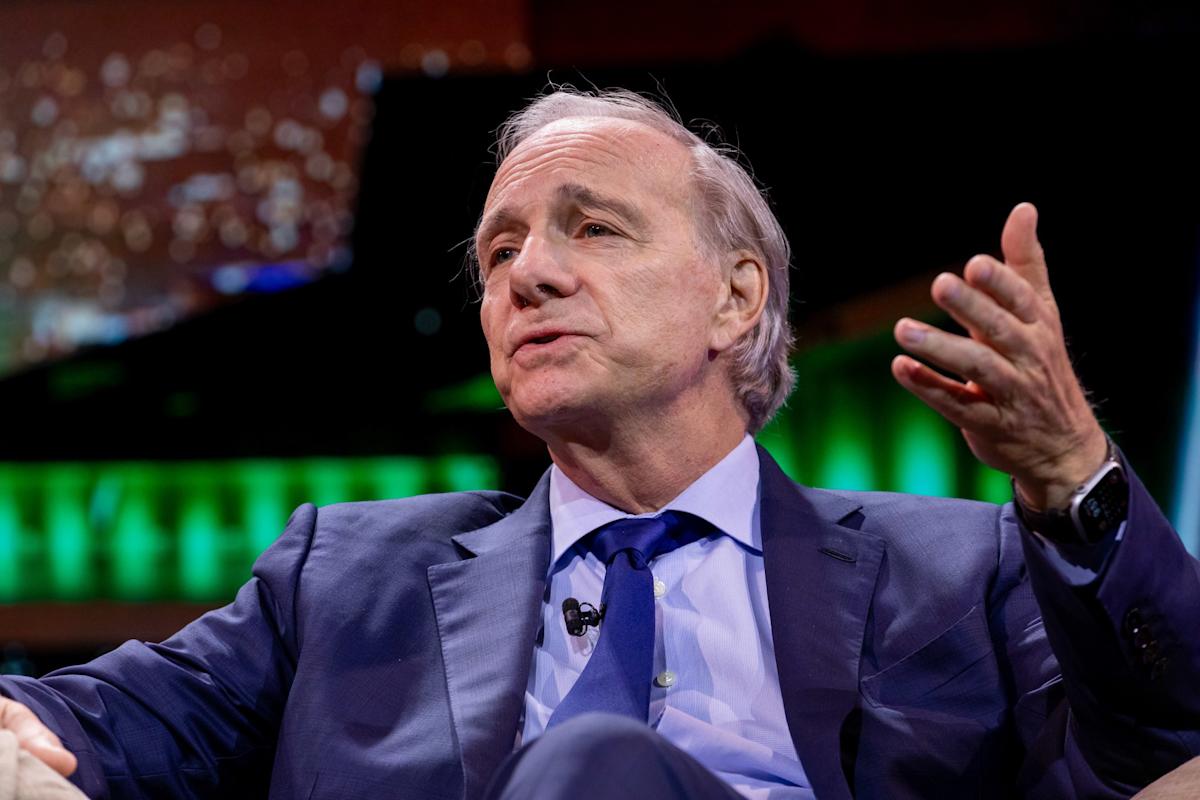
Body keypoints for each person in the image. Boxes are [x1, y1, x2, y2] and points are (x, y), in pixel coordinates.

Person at [1, 88, 1198, 799]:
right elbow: (98, 723)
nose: (530, 273)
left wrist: (1073, 477)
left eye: (594, 228)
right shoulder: (345, 576)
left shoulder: (964, 566)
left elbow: (1166, 740)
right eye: (501, 250)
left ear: (736, 297)